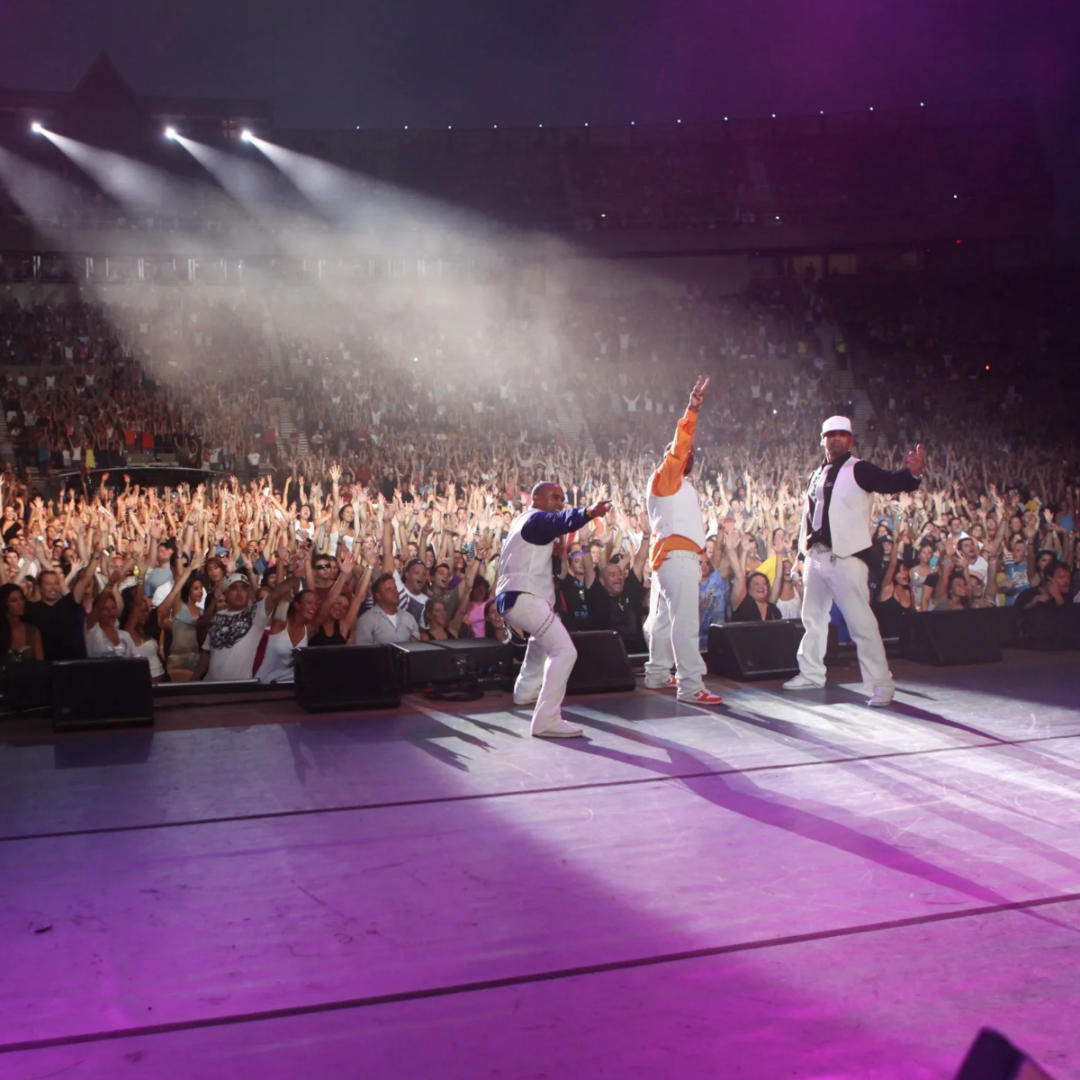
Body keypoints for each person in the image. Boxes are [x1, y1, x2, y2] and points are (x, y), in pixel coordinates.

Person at [784, 416, 924, 706]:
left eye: (842, 434)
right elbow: (809, 517)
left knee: (861, 622)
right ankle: (811, 673)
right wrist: (802, 552)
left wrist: (911, 475)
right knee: (812, 619)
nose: (836, 438)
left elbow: (889, 481)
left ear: (851, 440)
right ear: (822, 439)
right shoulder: (815, 474)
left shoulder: (859, 469)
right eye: (830, 434)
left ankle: (881, 684)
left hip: (845, 557)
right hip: (816, 556)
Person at [495, 482, 611, 738]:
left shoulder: (523, 522)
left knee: (540, 643)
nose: (560, 502)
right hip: (525, 597)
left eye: (562, 499)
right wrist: (589, 512)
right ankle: (547, 719)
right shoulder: (537, 519)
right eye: (555, 497)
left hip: (516, 597)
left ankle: (525, 692)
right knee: (565, 651)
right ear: (536, 498)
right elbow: (561, 521)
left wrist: (556, 552)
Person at [643, 376, 724, 705]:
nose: (687, 454)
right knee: (685, 622)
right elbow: (679, 445)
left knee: (664, 621)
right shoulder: (667, 476)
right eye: (682, 452)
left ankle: (657, 673)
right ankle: (691, 686)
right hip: (676, 559)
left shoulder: (677, 486)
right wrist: (691, 411)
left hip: (671, 558)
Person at [354, 572, 421, 645]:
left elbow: (416, 648)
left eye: (395, 588)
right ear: (378, 595)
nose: (395, 591)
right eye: (389, 589)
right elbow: (363, 652)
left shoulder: (409, 618)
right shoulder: (367, 620)